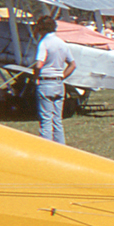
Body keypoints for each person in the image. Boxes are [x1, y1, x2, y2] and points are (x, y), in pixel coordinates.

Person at [31, 14, 75, 142]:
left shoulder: (44, 43)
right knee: (57, 120)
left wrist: (35, 78)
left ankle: (46, 147)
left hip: (46, 83)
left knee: (45, 119)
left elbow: (39, 64)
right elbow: (73, 64)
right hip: (58, 83)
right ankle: (60, 147)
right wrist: (62, 77)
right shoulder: (62, 43)